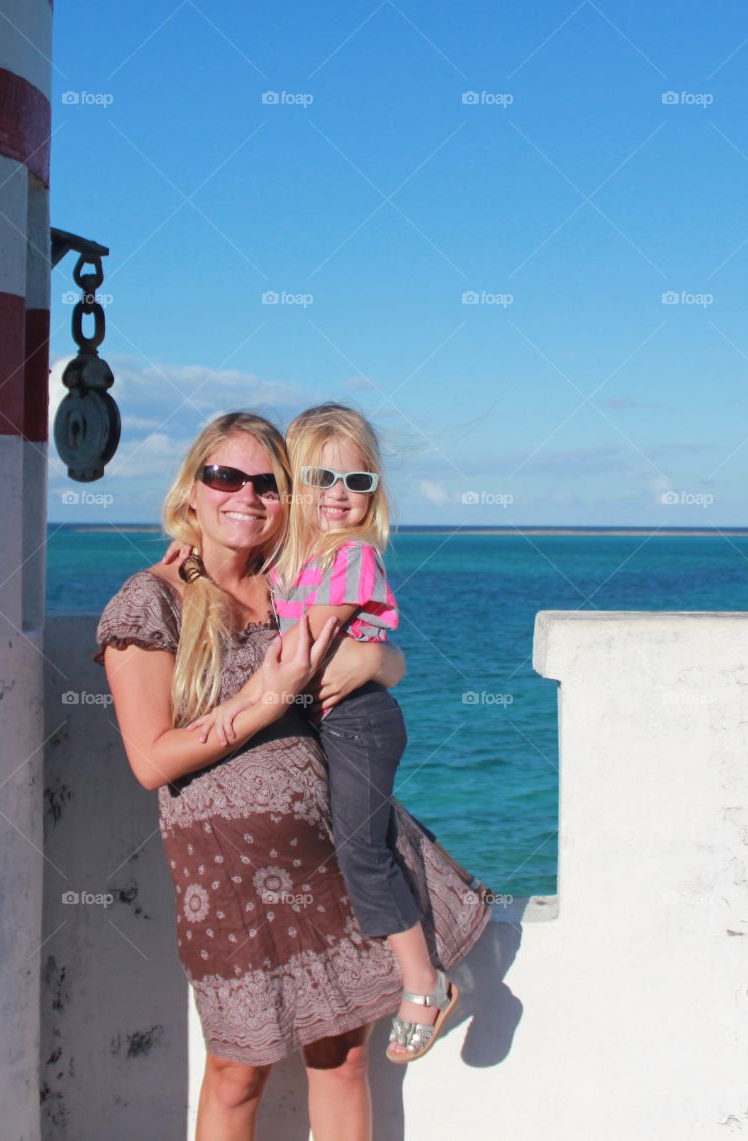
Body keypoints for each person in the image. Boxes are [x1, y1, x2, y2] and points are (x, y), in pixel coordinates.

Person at [94, 411, 490, 1141]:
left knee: (343, 1058)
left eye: (266, 483)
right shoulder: (149, 602)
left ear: (287, 499)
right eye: (224, 476)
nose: (245, 495)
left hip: (329, 861)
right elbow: (150, 760)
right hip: (227, 879)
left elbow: (372, 652)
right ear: (191, 488)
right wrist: (264, 698)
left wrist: (379, 660)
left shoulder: (283, 583)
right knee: (236, 1069)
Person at [188, 403, 458, 1063]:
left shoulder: (351, 556)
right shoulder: (294, 558)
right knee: (348, 843)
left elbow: (306, 644)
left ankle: (424, 983)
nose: (339, 495)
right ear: (295, 483)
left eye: (357, 482)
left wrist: (237, 708)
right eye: (321, 478)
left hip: (359, 720)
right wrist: (190, 561)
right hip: (330, 720)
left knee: (361, 850)